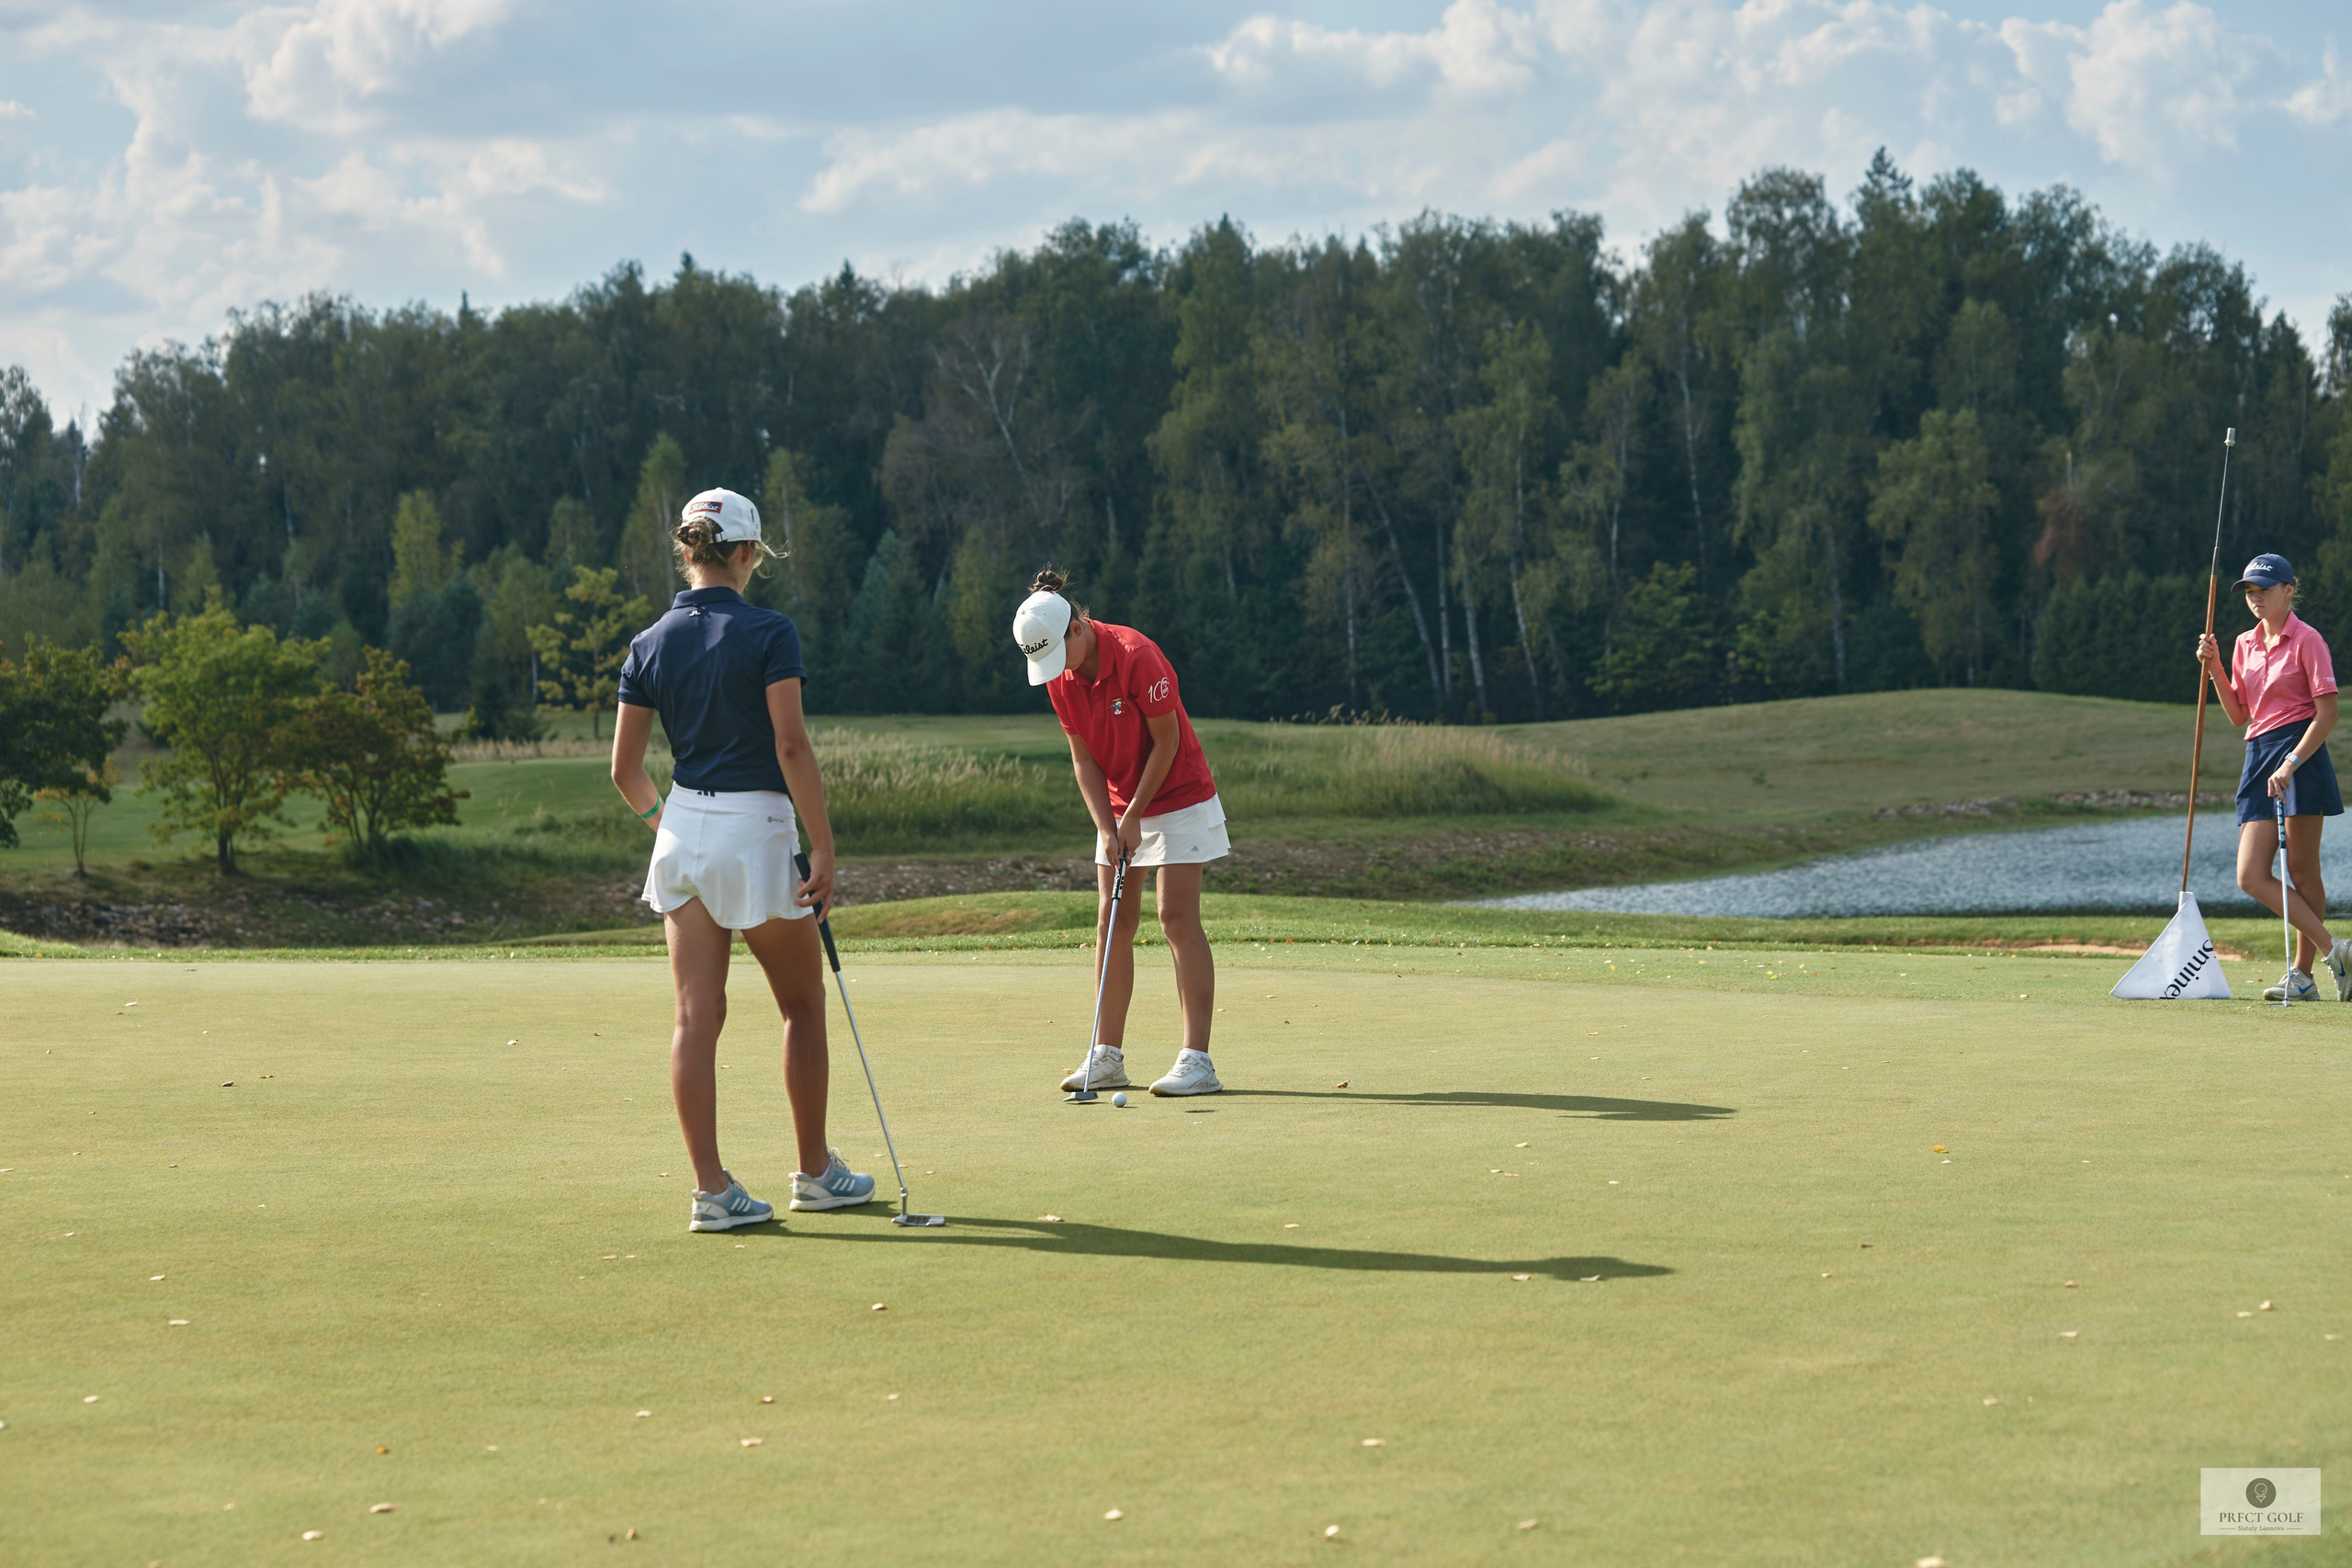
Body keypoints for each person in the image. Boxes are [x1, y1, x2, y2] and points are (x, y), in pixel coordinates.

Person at [610, 486, 876, 1230]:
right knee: (801, 1005)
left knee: (697, 1014)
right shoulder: (770, 631)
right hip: (756, 828)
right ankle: (816, 1171)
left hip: (682, 830)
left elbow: (625, 773)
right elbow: (790, 746)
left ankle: (711, 1190)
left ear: (689, 551)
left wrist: (672, 822)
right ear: (746, 552)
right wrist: (822, 843)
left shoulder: (648, 641)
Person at [1014, 568, 1228, 1096]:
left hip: (1178, 793)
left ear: (1076, 630)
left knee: (1175, 916)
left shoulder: (1137, 656)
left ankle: (1197, 1060)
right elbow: (1083, 759)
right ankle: (1106, 1054)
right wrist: (1107, 827)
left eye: (1056, 656)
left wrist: (1133, 815)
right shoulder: (1060, 674)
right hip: (1118, 805)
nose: (1054, 670)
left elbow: (1167, 742)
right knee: (1113, 920)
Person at [2196, 551, 2352, 1001]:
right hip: (2258, 752)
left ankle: (2303, 976)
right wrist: (2215, 669)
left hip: (2301, 753)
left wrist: (2291, 763)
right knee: (2249, 874)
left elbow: (2328, 715)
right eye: (2249, 591)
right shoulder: (2244, 642)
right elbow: (2239, 714)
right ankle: (2335, 951)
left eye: (2264, 589)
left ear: (2289, 589)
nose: (2256, 598)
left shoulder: (2308, 640)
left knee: (2304, 871)